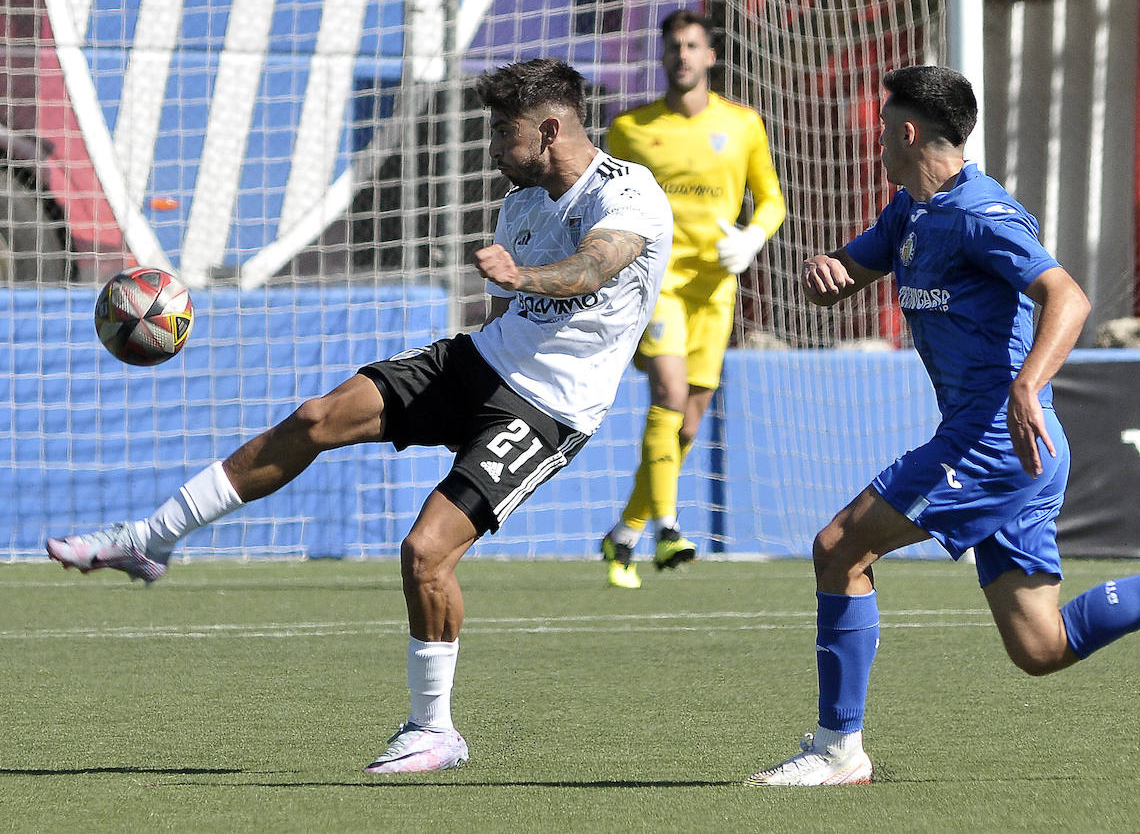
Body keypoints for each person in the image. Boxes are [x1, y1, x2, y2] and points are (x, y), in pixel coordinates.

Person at [45, 58, 673, 775]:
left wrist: (524, 278)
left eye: (504, 134)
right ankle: (149, 539)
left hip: (549, 409)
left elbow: (595, 266)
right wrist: (505, 304)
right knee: (315, 418)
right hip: (481, 362)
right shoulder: (522, 202)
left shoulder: (630, 196)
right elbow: (510, 311)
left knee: (425, 553)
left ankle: (433, 731)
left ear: (551, 129)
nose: (494, 149)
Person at [745, 65, 1140, 787]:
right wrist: (825, 271)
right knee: (1041, 646)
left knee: (839, 549)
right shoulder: (910, 212)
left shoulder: (983, 215)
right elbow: (848, 275)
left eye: (883, 127)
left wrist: (1027, 383)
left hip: (992, 440)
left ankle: (837, 752)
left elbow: (1069, 298)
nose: (877, 142)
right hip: (1023, 448)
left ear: (908, 131)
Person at [599, 9, 786, 589]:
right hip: (654, 286)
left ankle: (624, 533)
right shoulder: (630, 130)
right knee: (670, 394)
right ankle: (669, 527)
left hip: (716, 291)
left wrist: (754, 237)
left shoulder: (743, 125)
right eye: (673, 46)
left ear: (710, 56)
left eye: (692, 45)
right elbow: (607, 202)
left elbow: (772, 198)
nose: (682, 55)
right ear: (662, 57)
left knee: (687, 421)